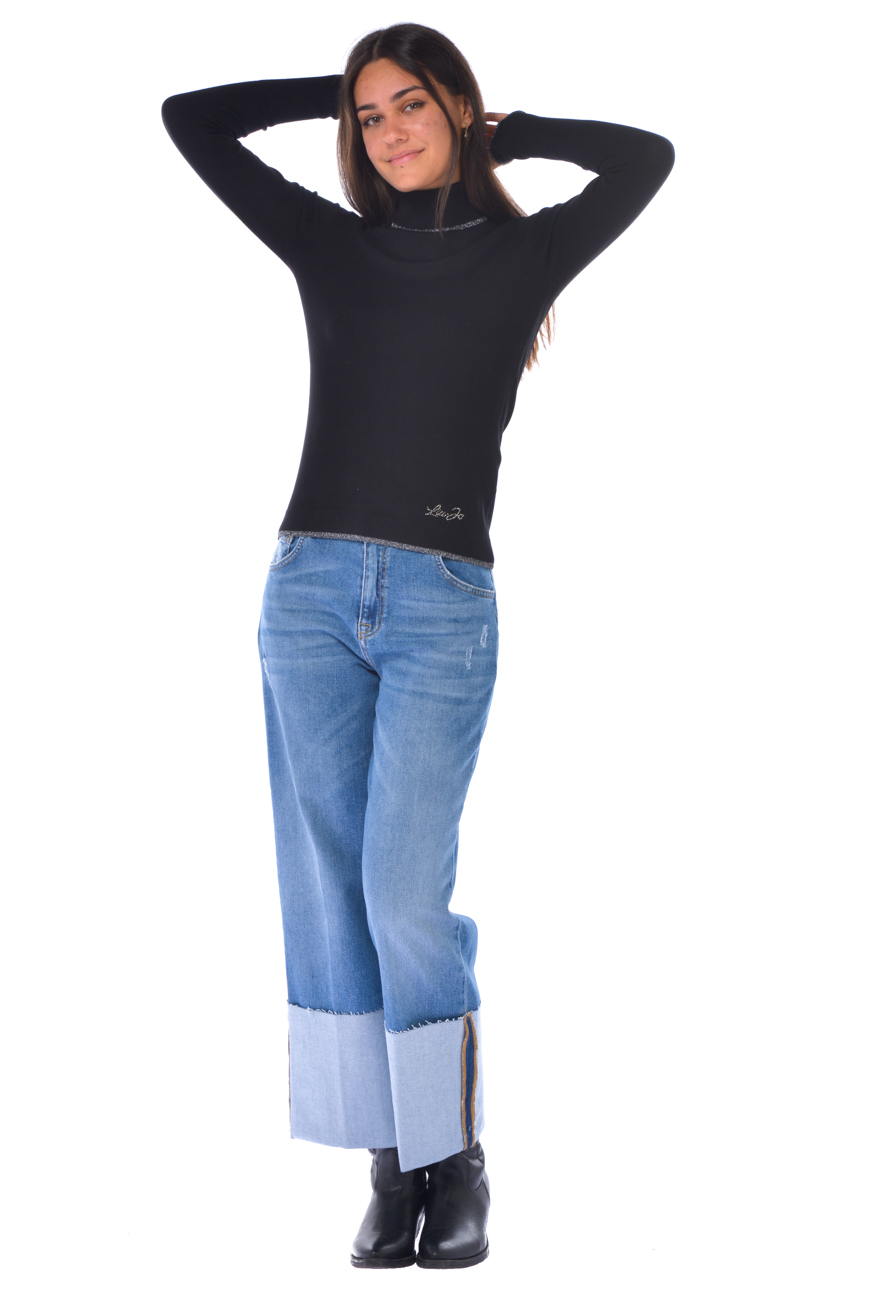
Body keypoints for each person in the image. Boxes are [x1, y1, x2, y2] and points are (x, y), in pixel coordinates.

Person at [161, 21, 674, 1270]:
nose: (388, 131)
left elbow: (646, 157)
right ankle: (394, 1160)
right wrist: (333, 88)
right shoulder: (328, 241)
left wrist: (516, 131)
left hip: (443, 600)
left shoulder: (527, 250)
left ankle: (457, 1152)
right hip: (308, 593)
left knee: (402, 890)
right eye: (369, 114)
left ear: (456, 107)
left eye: (412, 105)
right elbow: (191, 118)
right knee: (333, 892)